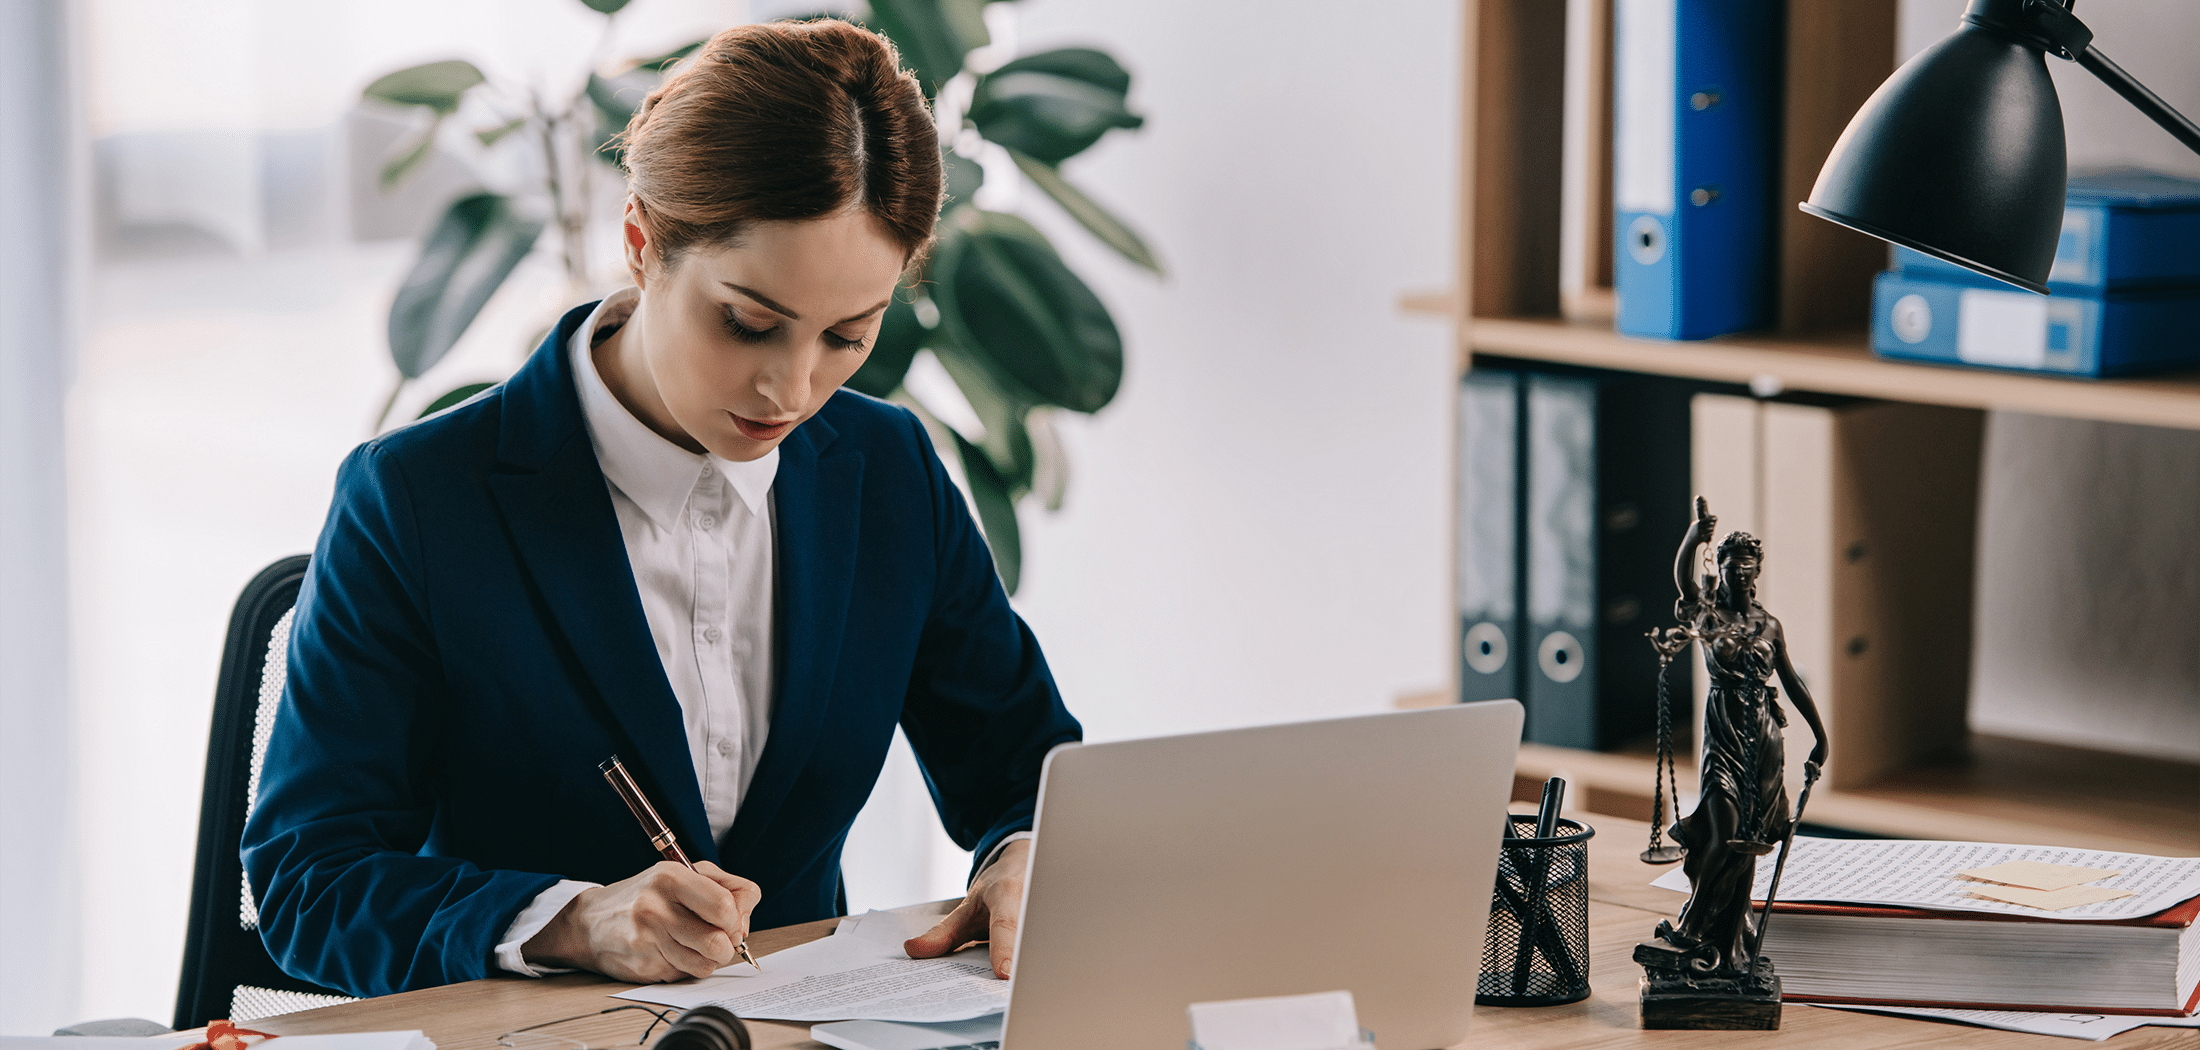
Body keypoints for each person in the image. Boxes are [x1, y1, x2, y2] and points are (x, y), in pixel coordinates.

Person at [241, 19, 1081, 998]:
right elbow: (311, 881)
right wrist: (567, 920)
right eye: (748, 323)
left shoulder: (887, 469)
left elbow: (1025, 771)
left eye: (848, 336)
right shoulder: (420, 498)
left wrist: (1025, 853)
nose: (791, 389)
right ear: (642, 244)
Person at [1653, 497, 1827, 974]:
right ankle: (1693, 925)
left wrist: (1820, 735)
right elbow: (1684, 582)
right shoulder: (1710, 618)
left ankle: (1729, 941)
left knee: (1748, 838)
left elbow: (1791, 681)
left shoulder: (1770, 624)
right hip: (1724, 733)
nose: (1742, 580)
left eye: (1749, 572)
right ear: (1723, 572)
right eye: (1733, 572)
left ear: (1757, 573)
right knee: (1725, 831)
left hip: (1765, 740)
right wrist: (1696, 535)